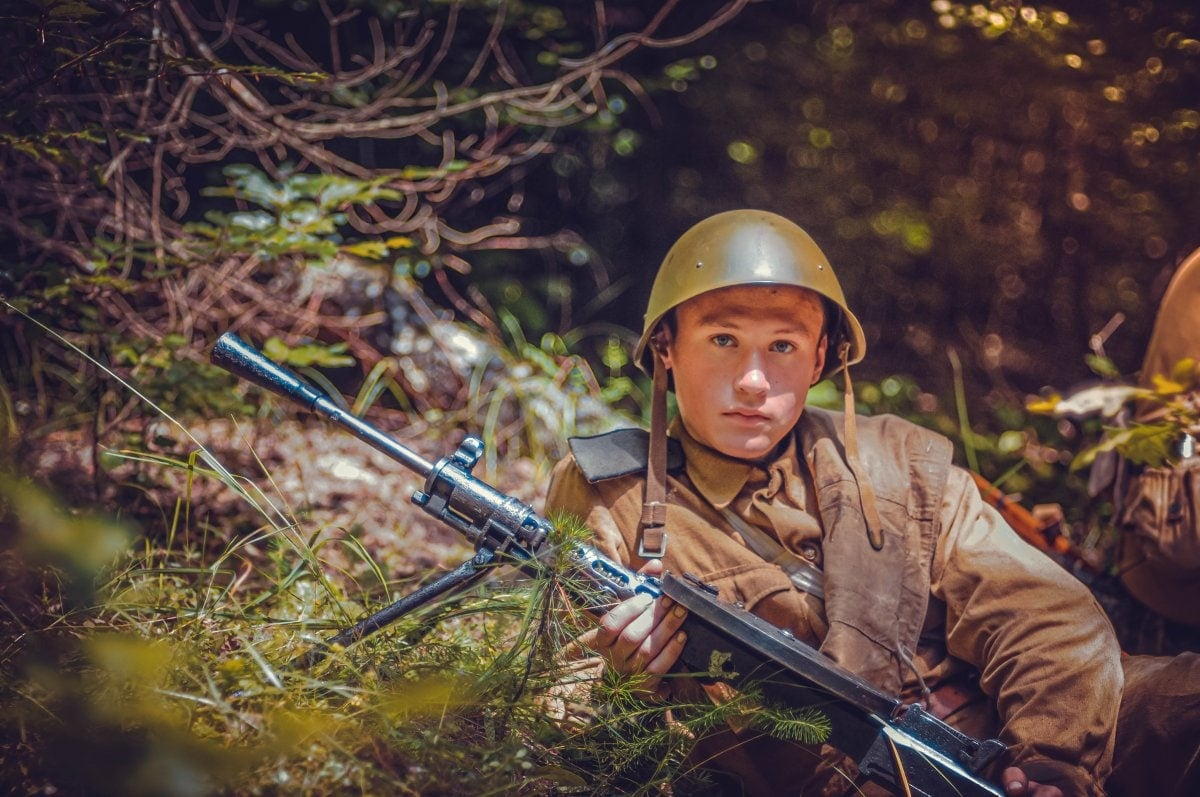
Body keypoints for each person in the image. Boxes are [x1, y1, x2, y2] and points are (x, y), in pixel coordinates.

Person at [545, 210, 1200, 796]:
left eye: (783, 345)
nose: (752, 378)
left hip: (1007, 737)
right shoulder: (612, 492)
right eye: (723, 340)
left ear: (821, 356)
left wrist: (1051, 765)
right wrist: (621, 679)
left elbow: (1043, 613)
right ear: (667, 349)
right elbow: (559, 708)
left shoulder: (900, 460)